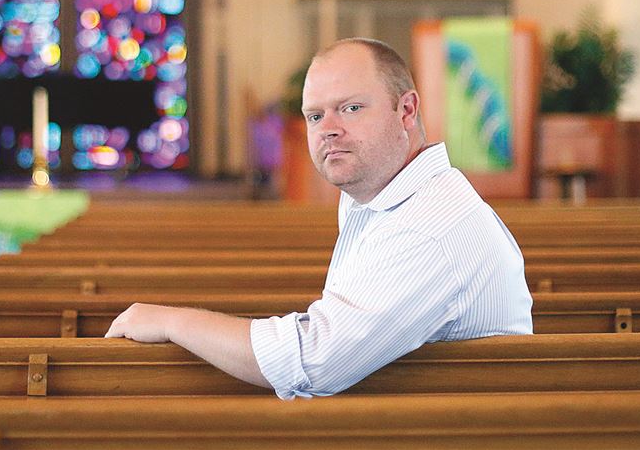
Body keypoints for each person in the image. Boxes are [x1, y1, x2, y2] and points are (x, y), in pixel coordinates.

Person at [105, 37, 533, 399]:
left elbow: (313, 362)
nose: (328, 128)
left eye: (351, 108)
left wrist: (171, 321)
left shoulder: (429, 227)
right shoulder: (384, 198)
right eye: (315, 115)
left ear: (406, 110)